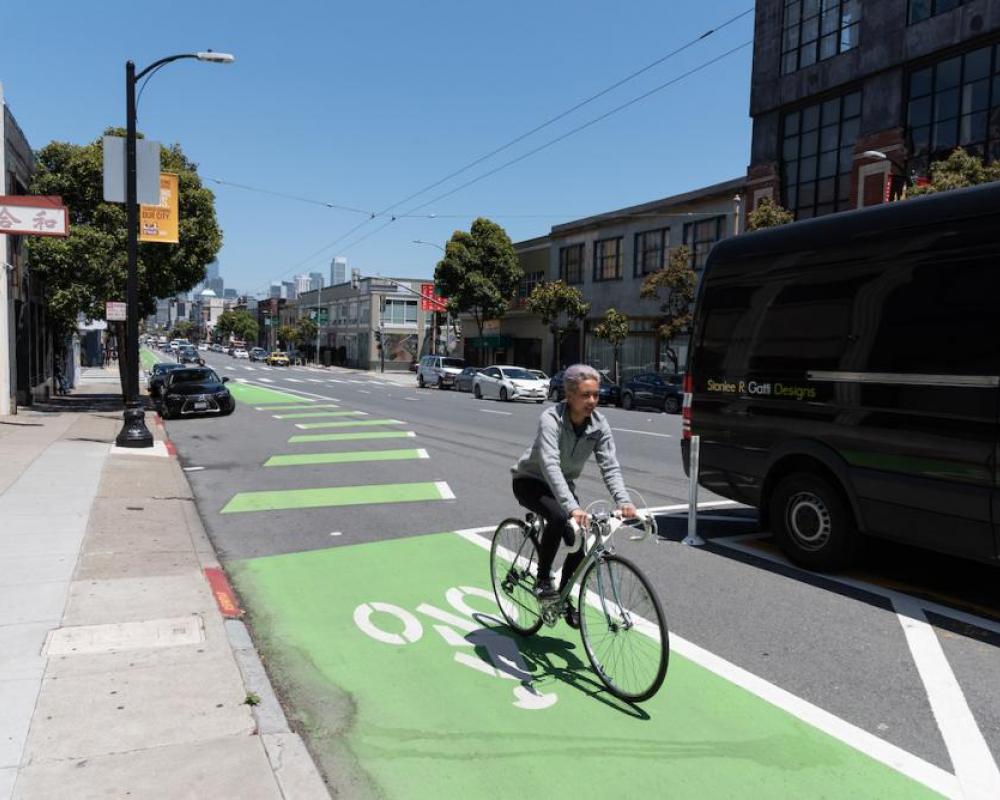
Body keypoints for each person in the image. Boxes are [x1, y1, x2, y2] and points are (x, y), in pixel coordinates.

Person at [511, 363, 636, 628]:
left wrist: (623, 500)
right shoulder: (551, 418)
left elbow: (610, 466)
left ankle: (564, 597)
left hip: (562, 487)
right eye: (585, 395)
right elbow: (549, 464)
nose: (592, 401)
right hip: (530, 481)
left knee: (582, 537)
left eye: (596, 395)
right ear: (569, 395)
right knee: (558, 517)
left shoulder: (600, 425)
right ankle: (543, 580)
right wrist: (572, 508)